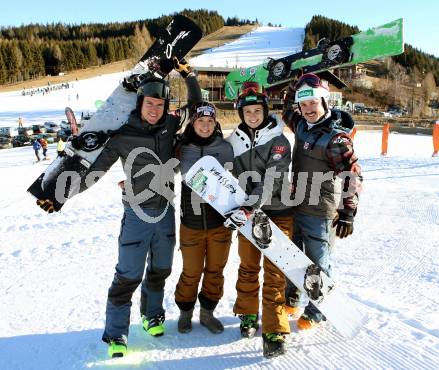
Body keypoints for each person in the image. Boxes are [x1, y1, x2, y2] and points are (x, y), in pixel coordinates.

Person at [36, 59, 201, 358]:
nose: (155, 109)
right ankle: (117, 334)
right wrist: (60, 195)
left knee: (161, 269)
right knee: (128, 275)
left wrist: (188, 77)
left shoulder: (171, 126)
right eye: (150, 103)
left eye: (160, 104)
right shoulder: (123, 135)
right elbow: (93, 172)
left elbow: (198, 106)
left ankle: (152, 316)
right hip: (137, 214)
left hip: (165, 210)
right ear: (140, 104)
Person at [282, 73, 362, 330]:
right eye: (303, 105)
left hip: (320, 211)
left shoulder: (336, 139)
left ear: (325, 102)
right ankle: (291, 297)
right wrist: (294, 81)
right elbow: (286, 108)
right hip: (296, 205)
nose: (307, 110)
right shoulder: (302, 125)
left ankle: (317, 311)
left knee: (319, 264)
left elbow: (352, 175)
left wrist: (348, 212)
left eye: (312, 103)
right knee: (292, 257)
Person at [224, 82, 293, 359]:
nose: (253, 115)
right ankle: (248, 313)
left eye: (257, 110)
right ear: (241, 113)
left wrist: (250, 206)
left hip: (277, 211)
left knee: (275, 273)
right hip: (247, 213)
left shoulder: (279, 140)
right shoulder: (233, 142)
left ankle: (275, 327)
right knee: (248, 267)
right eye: (247, 111)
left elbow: (272, 179)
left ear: (265, 109)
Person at [174, 102, 234, 335]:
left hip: (220, 222)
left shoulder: (225, 148)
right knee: (191, 271)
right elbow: (161, 169)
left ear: (216, 123)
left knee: (215, 271)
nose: (206, 126)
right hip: (191, 223)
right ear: (193, 122)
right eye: (201, 121)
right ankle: (185, 312)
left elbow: (236, 181)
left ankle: (207, 313)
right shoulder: (182, 147)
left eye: (210, 121)